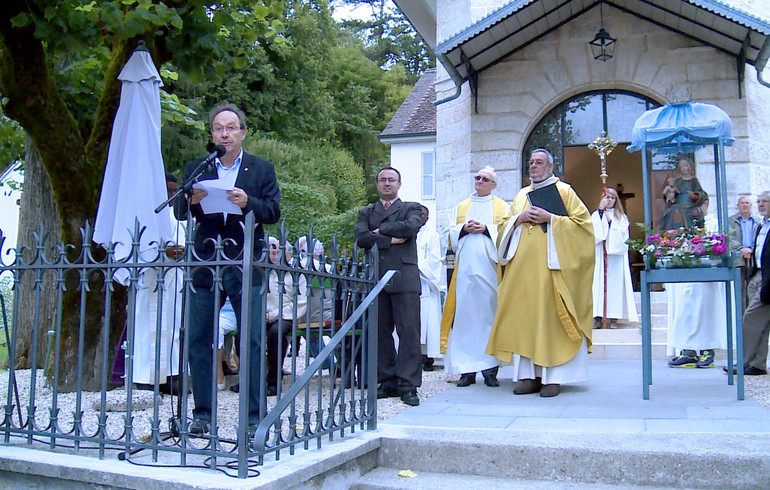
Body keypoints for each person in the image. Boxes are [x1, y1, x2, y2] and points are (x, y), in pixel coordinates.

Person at [175, 103, 281, 434]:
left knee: (251, 339)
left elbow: (274, 210)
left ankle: (253, 418)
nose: (225, 134)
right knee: (199, 337)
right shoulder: (199, 167)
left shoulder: (261, 169)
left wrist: (248, 202)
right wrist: (189, 201)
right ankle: (202, 415)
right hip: (206, 261)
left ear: (243, 133)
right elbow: (179, 211)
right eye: (219, 128)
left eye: (231, 128)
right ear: (212, 134)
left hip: (245, 260)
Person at [487, 149, 594, 398]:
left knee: (551, 322)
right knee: (526, 321)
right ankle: (529, 376)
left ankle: (553, 378)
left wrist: (551, 219)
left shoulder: (564, 191)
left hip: (552, 272)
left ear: (550, 167)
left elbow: (584, 228)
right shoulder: (521, 195)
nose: (533, 166)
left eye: (539, 162)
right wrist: (518, 219)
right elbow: (503, 225)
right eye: (531, 162)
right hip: (523, 273)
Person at [354, 167, 424, 406]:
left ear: (399, 184)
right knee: (380, 332)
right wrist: (390, 239)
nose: (386, 183)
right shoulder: (366, 211)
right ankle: (387, 381)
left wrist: (379, 231)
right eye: (382, 180)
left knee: (409, 332)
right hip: (376, 277)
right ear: (376, 184)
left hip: (405, 278)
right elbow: (361, 238)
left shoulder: (412, 208)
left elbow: (410, 227)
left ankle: (408, 384)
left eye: (391, 180)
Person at [440, 166, 509, 387]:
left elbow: (508, 233)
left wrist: (487, 229)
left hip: (490, 271)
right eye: (477, 177)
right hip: (465, 272)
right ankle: (466, 371)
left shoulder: (502, 207)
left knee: (489, 316)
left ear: (493, 185)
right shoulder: (462, 207)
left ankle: (490, 370)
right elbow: (447, 234)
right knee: (465, 319)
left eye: (485, 179)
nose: (479, 181)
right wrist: (463, 228)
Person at [130, 172, 186, 394]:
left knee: (173, 328)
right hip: (152, 277)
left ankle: (171, 375)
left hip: (174, 279)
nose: (172, 195)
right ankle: (146, 377)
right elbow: (138, 245)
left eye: (174, 191)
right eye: (168, 190)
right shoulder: (146, 213)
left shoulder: (177, 216)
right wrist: (163, 252)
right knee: (150, 328)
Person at [667, 198, 726, 368]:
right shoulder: (684, 225)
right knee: (686, 312)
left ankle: (707, 350)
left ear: (705, 204)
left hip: (706, 276)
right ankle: (688, 351)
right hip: (686, 275)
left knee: (705, 312)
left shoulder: (714, 224)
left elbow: (719, 246)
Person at [726, 191, 770, 376]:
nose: (760, 204)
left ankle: (744, 361)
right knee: (762, 323)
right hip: (756, 274)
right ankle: (758, 363)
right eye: (758, 201)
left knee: (750, 318)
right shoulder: (762, 225)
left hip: (767, 278)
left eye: (764, 201)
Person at [262, 237, 307, 397]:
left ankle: (273, 381)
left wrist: (274, 315)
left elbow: (300, 303)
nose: (276, 256)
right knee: (245, 332)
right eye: (272, 252)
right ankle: (250, 378)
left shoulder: (297, 274)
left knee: (276, 333)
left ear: (289, 254)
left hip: (287, 316)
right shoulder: (263, 272)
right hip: (263, 315)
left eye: (279, 252)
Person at [591, 187, 638, 329]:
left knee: (614, 286)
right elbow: (594, 233)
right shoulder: (596, 215)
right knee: (599, 284)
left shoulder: (621, 217)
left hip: (615, 258)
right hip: (601, 253)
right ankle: (598, 318)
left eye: (612, 198)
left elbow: (623, 236)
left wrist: (611, 223)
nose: (610, 200)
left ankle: (613, 318)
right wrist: (601, 213)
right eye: (607, 197)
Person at [416, 205, 443, 372]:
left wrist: (416, 265)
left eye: (423, 215)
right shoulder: (405, 233)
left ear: (427, 218)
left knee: (428, 323)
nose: (419, 217)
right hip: (410, 282)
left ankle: (427, 357)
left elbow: (435, 259)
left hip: (426, 282)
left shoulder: (432, 235)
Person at [659, 156, 707, 230]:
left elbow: (702, 194)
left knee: (693, 215)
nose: (684, 168)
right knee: (669, 213)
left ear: (691, 167)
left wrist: (694, 196)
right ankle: (672, 233)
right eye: (682, 167)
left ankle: (692, 232)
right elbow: (672, 192)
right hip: (677, 205)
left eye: (686, 166)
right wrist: (671, 196)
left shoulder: (694, 181)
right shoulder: (677, 181)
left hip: (691, 205)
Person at [729, 195, 758, 309]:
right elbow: (729, 237)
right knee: (740, 287)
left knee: (752, 287)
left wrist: (751, 249)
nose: (745, 205)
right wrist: (741, 249)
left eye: (747, 203)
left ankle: (751, 312)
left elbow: (759, 238)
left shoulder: (757, 221)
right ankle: (740, 313)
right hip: (738, 258)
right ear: (738, 206)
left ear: (751, 205)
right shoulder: (731, 221)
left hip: (753, 258)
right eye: (742, 203)